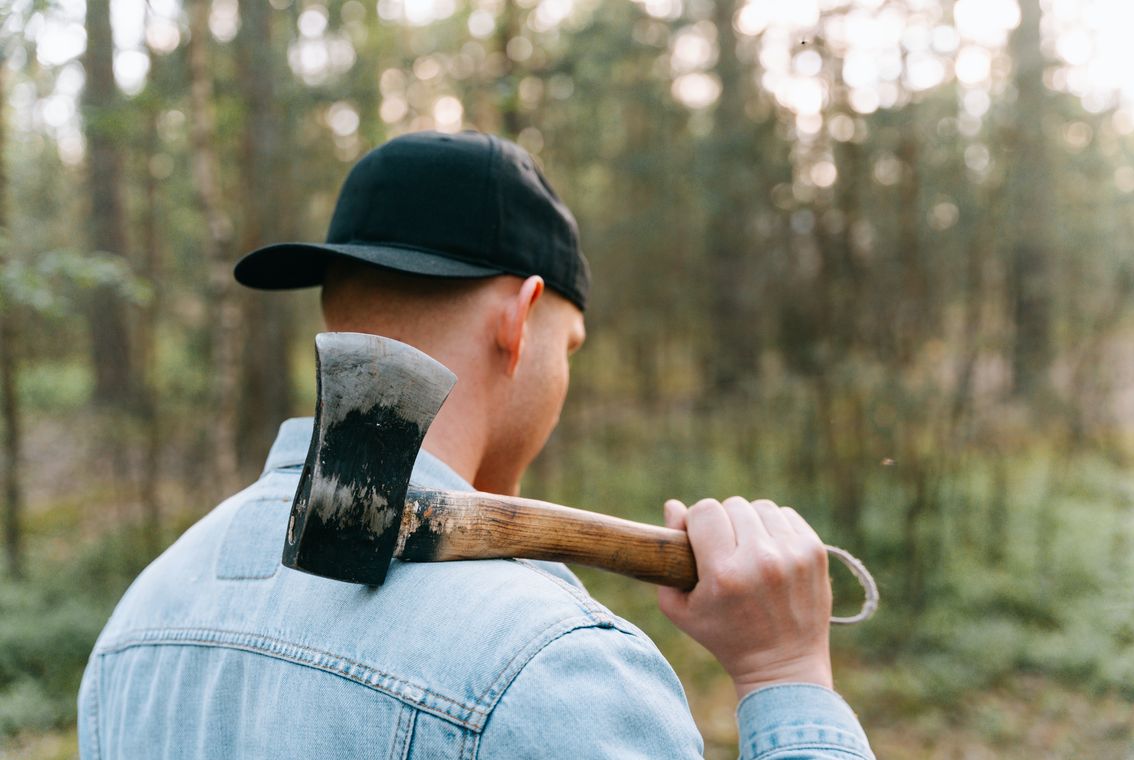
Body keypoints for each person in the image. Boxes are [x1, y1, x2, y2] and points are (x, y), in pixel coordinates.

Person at [78, 131, 874, 758]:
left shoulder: (140, 616)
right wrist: (786, 675)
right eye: (571, 348)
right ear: (520, 320)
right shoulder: (550, 667)